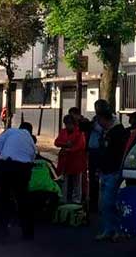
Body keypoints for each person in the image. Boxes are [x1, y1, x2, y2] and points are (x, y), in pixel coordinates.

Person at [0, 122, 37, 242]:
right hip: (22, 169)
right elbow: (33, 156)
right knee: (23, 201)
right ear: (30, 131)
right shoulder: (30, 139)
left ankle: (1, 234)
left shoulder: (10, 131)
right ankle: (27, 233)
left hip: (5, 167)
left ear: (20, 128)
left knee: (2, 201)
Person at [94, 101, 129, 242]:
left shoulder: (117, 132)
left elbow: (115, 153)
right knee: (105, 203)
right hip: (106, 170)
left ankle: (117, 229)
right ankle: (109, 229)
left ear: (104, 118)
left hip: (113, 171)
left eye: (99, 120)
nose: (98, 123)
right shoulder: (107, 131)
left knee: (109, 202)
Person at [54, 115, 87, 203]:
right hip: (65, 161)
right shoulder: (63, 131)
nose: (68, 126)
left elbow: (81, 146)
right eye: (66, 124)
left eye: (69, 124)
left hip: (76, 161)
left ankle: (77, 200)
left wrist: (68, 149)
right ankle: (63, 198)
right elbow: (56, 142)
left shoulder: (79, 132)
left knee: (77, 182)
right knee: (64, 181)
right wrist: (66, 144)